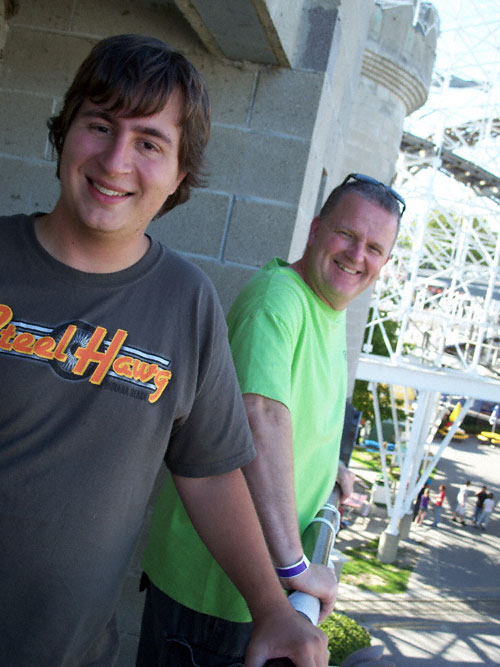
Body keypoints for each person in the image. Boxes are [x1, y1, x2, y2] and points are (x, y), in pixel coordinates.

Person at [0, 34, 330, 667]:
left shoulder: (186, 302)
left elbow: (208, 473)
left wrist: (270, 608)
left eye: (150, 142)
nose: (117, 159)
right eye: (100, 125)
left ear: (180, 175)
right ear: (65, 133)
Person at [139, 173, 403, 664]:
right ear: (316, 228)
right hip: (213, 592)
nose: (356, 254)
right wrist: (295, 566)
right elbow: (259, 415)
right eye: (347, 234)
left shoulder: (326, 308)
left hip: (246, 595)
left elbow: (296, 415)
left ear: (385, 262)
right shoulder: (276, 300)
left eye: (373, 247)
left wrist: (329, 469)